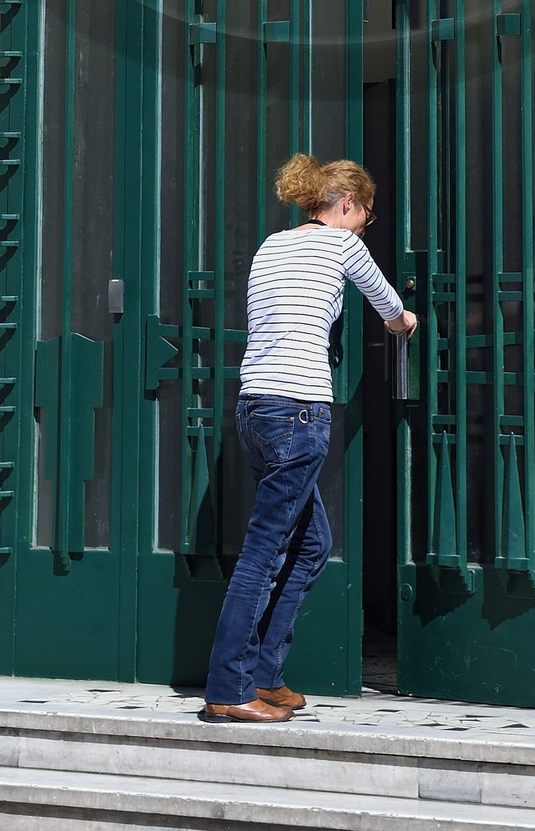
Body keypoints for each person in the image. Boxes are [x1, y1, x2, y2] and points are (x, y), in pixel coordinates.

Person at [200, 152, 417, 725]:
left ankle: (266, 675)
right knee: (263, 553)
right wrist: (406, 324)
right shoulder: (344, 245)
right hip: (298, 410)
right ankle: (228, 685)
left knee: (312, 544)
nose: (363, 227)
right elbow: (388, 306)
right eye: (365, 217)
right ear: (348, 204)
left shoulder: (272, 246)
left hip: (254, 409)